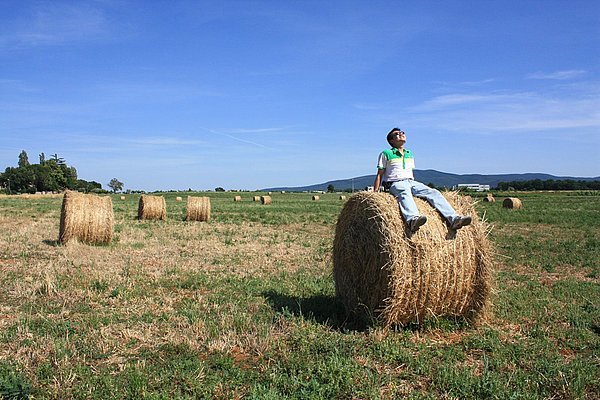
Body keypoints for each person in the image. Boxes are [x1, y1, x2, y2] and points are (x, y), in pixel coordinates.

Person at [373, 127, 472, 233]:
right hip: (395, 183)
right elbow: (379, 174)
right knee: (404, 192)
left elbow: (409, 171)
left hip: (411, 182)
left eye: (402, 132)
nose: (401, 134)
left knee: (433, 192)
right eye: (397, 134)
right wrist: (375, 194)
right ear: (391, 140)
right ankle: (412, 220)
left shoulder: (409, 153)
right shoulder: (386, 153)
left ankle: (454, 219)